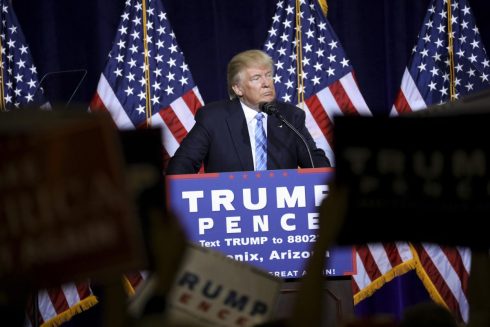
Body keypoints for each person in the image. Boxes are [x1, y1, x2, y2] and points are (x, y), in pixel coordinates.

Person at [166, 49, 330, 174]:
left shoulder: (290, 116)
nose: (266, 83)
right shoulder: (213, 118)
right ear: (238, 88)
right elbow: (182, 164)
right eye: (256, 78)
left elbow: (315, 161)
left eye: (268, 75)